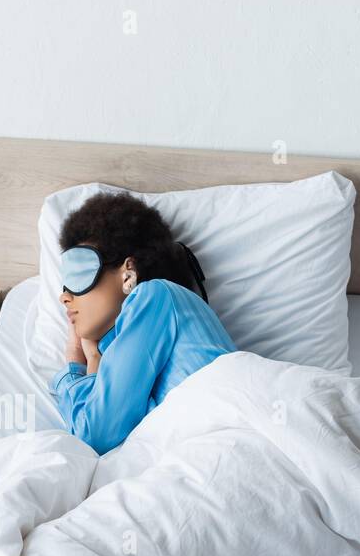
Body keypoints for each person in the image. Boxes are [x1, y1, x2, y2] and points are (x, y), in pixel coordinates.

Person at [50, 192, 236, 455]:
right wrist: (93, 357)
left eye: (78, 274)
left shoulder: (156, 296)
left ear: (128, 272)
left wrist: (75, 368)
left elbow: (94, 435)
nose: (64, 297)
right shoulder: (119, 353)